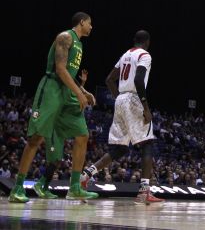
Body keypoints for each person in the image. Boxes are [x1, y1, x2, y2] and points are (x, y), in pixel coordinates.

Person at [8, 12, 98, 203]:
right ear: (81, 22)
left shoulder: (80, 44)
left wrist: (83, 90)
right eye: (90, 23)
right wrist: (79, 93)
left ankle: (74, 187)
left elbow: (70, 73)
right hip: (51, 90)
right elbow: (60, 69)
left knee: (83, 134)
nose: (91, 27)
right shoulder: (65, 37)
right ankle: (17, 188)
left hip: (67, 92)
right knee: (36, 138)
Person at [80, 30, 164, 205]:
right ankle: (144, 192)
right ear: (147, 42)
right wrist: (145, 107)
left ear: (135, 40)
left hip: (120, 100)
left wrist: (118, 97)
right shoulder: (145, 55)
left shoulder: (126, 54)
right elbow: (140, 80)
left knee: (120, 149)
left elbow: (109, 79)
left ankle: (86, 175)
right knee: (147, 144)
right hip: (134, 99)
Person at [33, 69, 90, 199]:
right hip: (53, 127)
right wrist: (83, 88)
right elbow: (75, 90)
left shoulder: (71, 89)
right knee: (55, 160)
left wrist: (82, 84)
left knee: (57, 161)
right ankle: (39, 184)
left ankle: (44, 187)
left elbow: (76, 90)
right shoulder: (61, 89)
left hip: (59, 127)